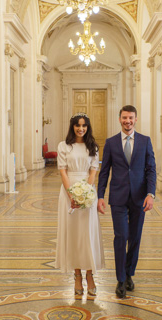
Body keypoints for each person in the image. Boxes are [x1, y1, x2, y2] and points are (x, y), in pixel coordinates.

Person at [97, 105, 156, 298]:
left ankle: (130, 273)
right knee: (121, 237)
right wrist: (100, 196)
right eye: (124, 118)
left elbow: (151, 170)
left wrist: (150, 194)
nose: (127, 121)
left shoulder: (145, 141)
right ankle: (121, 279)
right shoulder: (111, 142)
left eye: (131, 118)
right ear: (120, 119)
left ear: (136, 119)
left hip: (139, 198)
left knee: (135, 238)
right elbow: (104, 171)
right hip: (118, 198)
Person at [55, 113, 104, 296]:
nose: (81, 128)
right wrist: (72, 195)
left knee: (87, 234)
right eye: (77, 125)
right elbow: (63, 171)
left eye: (83, 125)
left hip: (88, 193)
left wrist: (85, 193)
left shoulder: (93, 146)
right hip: (68, 193)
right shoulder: (63, 146)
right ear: (72, 126)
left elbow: (93, 171)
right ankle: (77, 276)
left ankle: (90, 274)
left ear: (88, 127)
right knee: (73, 234)